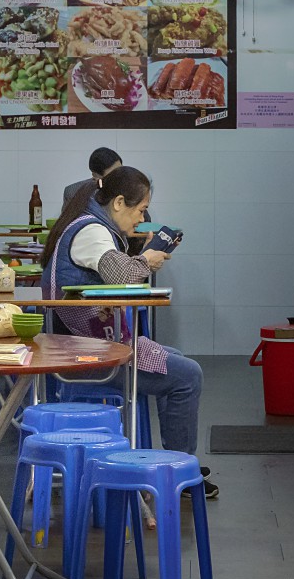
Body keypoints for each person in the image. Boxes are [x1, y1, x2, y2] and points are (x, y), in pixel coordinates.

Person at [43, 167, 216, 498]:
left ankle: (172, 464)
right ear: (119, 202)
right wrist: (146, 260)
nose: (141, 219)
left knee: (176, 361)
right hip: (86, 357)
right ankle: (179, 475)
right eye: (139, 210)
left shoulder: (88, 225)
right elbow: (119, 273)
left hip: (84, 348)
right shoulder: (91, 231)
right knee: (188, 375)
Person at [62, 147, 123, 213]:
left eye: (122, 171)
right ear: (95, 176)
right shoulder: (73, 192)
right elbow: (67, 222)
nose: (120, 177)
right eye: (113, 175)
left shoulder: (130, 190)